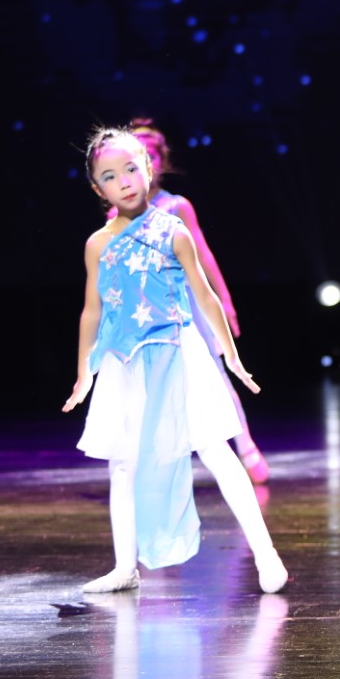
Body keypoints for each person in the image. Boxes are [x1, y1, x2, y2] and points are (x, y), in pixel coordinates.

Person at [65, 127, 287, 595]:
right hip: (125, 361)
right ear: (97, 189)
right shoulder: (97, 244)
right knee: (123, 463)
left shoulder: (173, 229)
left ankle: (266, 554)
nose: (124, 181)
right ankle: (125, 566)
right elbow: (92, 309)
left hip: (179, 353)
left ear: (148, 169)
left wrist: (231, 355)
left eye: (131, 168)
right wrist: (85, 371)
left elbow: (204, 296)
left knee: (215, 449)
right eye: (110, 176)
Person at [115, 119, 271, 483]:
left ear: (162, 161)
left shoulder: (176, 206)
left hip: (185, 306)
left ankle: (246, 448)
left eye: (151, 156)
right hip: (147, 312)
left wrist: (225, 301)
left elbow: (204, 255)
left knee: (215, 375)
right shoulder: (118, 213)